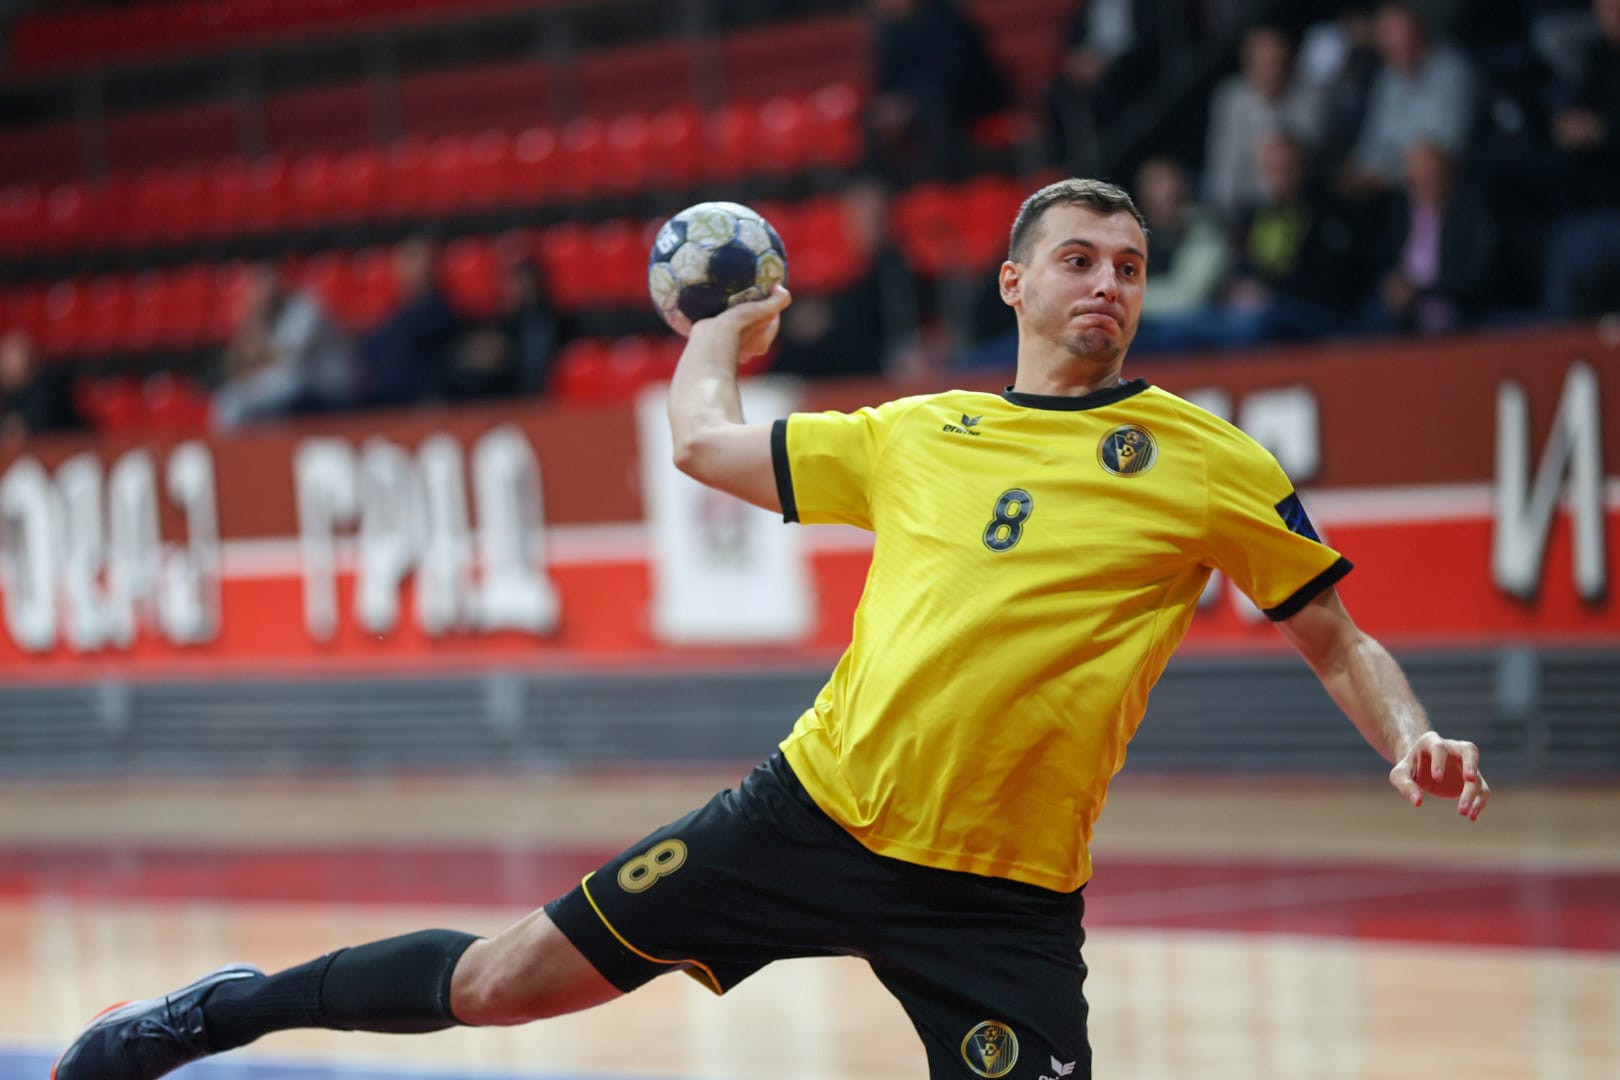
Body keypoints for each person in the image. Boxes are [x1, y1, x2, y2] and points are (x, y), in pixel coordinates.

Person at [52, 178, 1492, 1080]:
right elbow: (703, 445)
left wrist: (1410, 734)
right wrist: (717, 331)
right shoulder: (921, 433)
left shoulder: (1210, 462)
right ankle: (220, 1016)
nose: (1107, 283)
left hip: (1003, 898)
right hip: (812, 815)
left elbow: (1334, 634)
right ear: (1016, 284)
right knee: (496, 986)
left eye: (1128, 263)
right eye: (1078, 259)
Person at [1342, 2, 1477, 196]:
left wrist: (1384, 176)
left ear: (1421, 34)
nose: (1401, 54)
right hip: (1385, 186)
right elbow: (1371, 143)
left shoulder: (1454, 73)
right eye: (1391, 48)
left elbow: (1446, 153)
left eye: (1407, 43)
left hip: (1442, 187)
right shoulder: (1387, 79)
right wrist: (1360, 170)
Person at [1203, 22, 1327, 222]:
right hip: (1245, 208)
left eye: (1279, 62)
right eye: (1265, 64)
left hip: (1302, 206)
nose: (1273, 72)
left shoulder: (1313, 96)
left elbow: (1312, 160)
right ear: (1248, 65)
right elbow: (1224, 171)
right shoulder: (1230, 100)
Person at [212, 263, 356, 429]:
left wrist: (256, 330)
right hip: (301, 382)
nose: (261, 291)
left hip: (332, 385)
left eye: (265, 284)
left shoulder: (306, 306)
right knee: (230, 396)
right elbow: (239, 362)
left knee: (243, 397)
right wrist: (253, 322)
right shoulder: (269, 314)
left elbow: (284, 355)